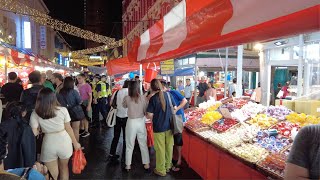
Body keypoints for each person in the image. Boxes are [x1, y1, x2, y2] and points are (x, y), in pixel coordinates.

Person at [30, 88, 81, 180]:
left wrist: (40, 130)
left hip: (48, 142)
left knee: (52, 174)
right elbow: (68, 128)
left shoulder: (36, 113)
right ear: (53, 98)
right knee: (64, 168)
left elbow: (34, 132)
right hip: (64, 141)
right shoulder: (63, 110)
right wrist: (75, 143)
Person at [147, 79, 176, 177]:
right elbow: (175, 108)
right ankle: (168, 166)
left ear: (152, 87)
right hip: (170, 126)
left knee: (160, 149)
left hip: (158, 127)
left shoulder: (153, 98)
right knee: (169, 147)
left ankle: (161, 169)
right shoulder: (169, 95)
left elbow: (149, 115)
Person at [122, 81, 150, 171]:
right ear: (138, 88)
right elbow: (146, 111)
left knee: (129, 145)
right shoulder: (143, 98)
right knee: (143, 144)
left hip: (131, 122)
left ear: (129, 88)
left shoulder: (127, 98)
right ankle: (146, 164)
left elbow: (124, 106)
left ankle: (128, 165)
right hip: (141, 121)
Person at [0, 102, 36, 169]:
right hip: (20, 168)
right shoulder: (25, 128)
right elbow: (29, 152)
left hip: (3, 167)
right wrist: (30, 166)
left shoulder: (2, 126)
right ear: (23, 113)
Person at [165, 84, 187, 172]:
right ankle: (173, 159)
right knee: (172, 140)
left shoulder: (173, 92)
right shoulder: (162, 96)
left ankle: (179, 160)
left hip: (178, 118)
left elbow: (184, 101)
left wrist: (176, 109)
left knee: (178, 139)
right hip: (169, 119)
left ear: (165, 87)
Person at [57, 77, 86, 142]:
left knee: (67, 129)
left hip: (65, 112)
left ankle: (69, 145)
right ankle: (76, 148)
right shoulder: (74, 92)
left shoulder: (60, 92)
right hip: (75, 112)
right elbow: (80, 101)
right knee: (75, 130)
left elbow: (59, 103)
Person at [109, 80, 129, 161]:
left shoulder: (117, 92)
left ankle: (112, 153)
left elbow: (111, 103)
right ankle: (125, 155)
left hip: (117, 116)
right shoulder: (130, 93)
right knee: (126, 137)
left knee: (116, 136)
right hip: (127, 117)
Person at [77, 74, 92, 138]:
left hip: (85, 102)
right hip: (80, 103)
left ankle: (86, 131)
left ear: (83, 78)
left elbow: (90, 96)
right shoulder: (77, 85)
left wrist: (89, 105)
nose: (78, 80)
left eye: (79, 78)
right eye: (77, 78)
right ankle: (82, 129)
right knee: (81, 117)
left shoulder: (87, 86)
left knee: (86, 117)